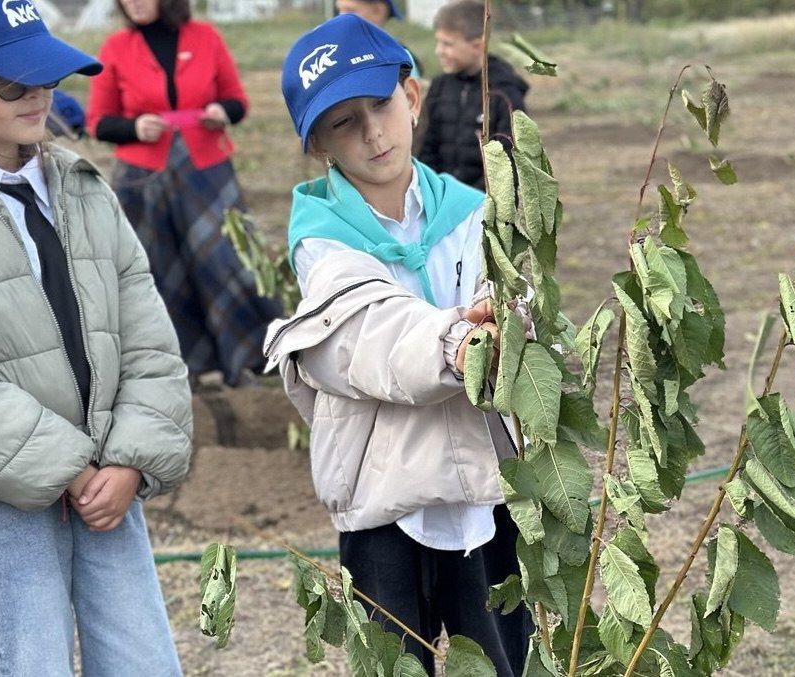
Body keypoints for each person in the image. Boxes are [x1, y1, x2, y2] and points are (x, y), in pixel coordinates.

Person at [0, 0, 192, 674]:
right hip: (1, 499)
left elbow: (149, 340)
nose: (37, 92)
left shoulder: (86, 189)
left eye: (46, 74)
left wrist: (128, 461)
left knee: (145, 662)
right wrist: (65, 468)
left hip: (108, 487)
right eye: (10, 80)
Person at [269, 14, 531, 675]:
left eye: (380, 106)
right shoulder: (321, 239)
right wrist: (458, 342)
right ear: (318, 145)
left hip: (480, 487)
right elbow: (370, 330)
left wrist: (511, 320)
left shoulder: (470, 212)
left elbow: (514, 301)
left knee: (500, 656)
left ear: (411, 96)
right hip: (382, 493)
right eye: (343, 122)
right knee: (393, 661)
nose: (372, 133)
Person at [86, 0, 280, 387]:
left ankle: (248, 358)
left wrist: (222, 113)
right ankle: (179, 368)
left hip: (206, 172)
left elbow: (237, 101)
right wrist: (134, 128)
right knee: (158, 272)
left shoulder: (206, 38)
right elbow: (97, 122)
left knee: (224, 262)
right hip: (142, 181)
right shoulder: (115, 48)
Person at [417, 0, 529, 189]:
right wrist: (436, 190)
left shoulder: (504, 94)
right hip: (441, 197)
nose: (439, 51)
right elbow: (426, 146)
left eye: (447, 44)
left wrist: (473, 200)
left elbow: (508, 163)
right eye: (438, 42)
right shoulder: (439, 87)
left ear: (477, 45)